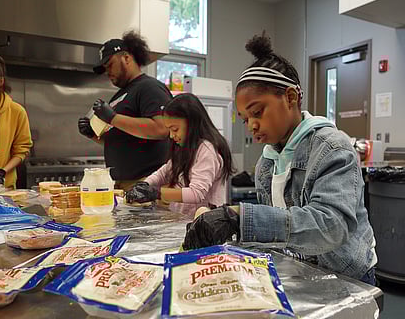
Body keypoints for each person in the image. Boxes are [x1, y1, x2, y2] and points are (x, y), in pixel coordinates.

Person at [183, 33, 377, 285]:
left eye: (257, 112)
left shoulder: (332, 148)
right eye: (245, 119)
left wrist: (239, 218)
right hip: (303, 270)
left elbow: (331, 226)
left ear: (290, 97)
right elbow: (280, 229)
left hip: (347, 275)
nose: (251, 125)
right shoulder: (268, 162)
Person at [78, 31, 171, 191]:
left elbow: (161, 129)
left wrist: (113, 117)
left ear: (126, 58)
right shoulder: (118, 96)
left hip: (146, 182)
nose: (108, 72)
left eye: (110, 64)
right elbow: (119, 139)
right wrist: (92, 134)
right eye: (105, 68)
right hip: (121, 183)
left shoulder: (149, 87)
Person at [125, 93, 235, 217]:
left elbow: (196, 194)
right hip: (183, 218)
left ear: (192, 123)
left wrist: (157, 193)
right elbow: (164, 172)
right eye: (170, 130)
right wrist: (145, 185)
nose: (172, 136)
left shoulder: (207, 150)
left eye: (175, 129)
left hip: (204, 222)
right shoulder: (184, 146)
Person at [0, 55, 32, 190]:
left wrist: (2, 171)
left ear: (0, 81)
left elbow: (21, 150)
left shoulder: (16, 112)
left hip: (4, 186)